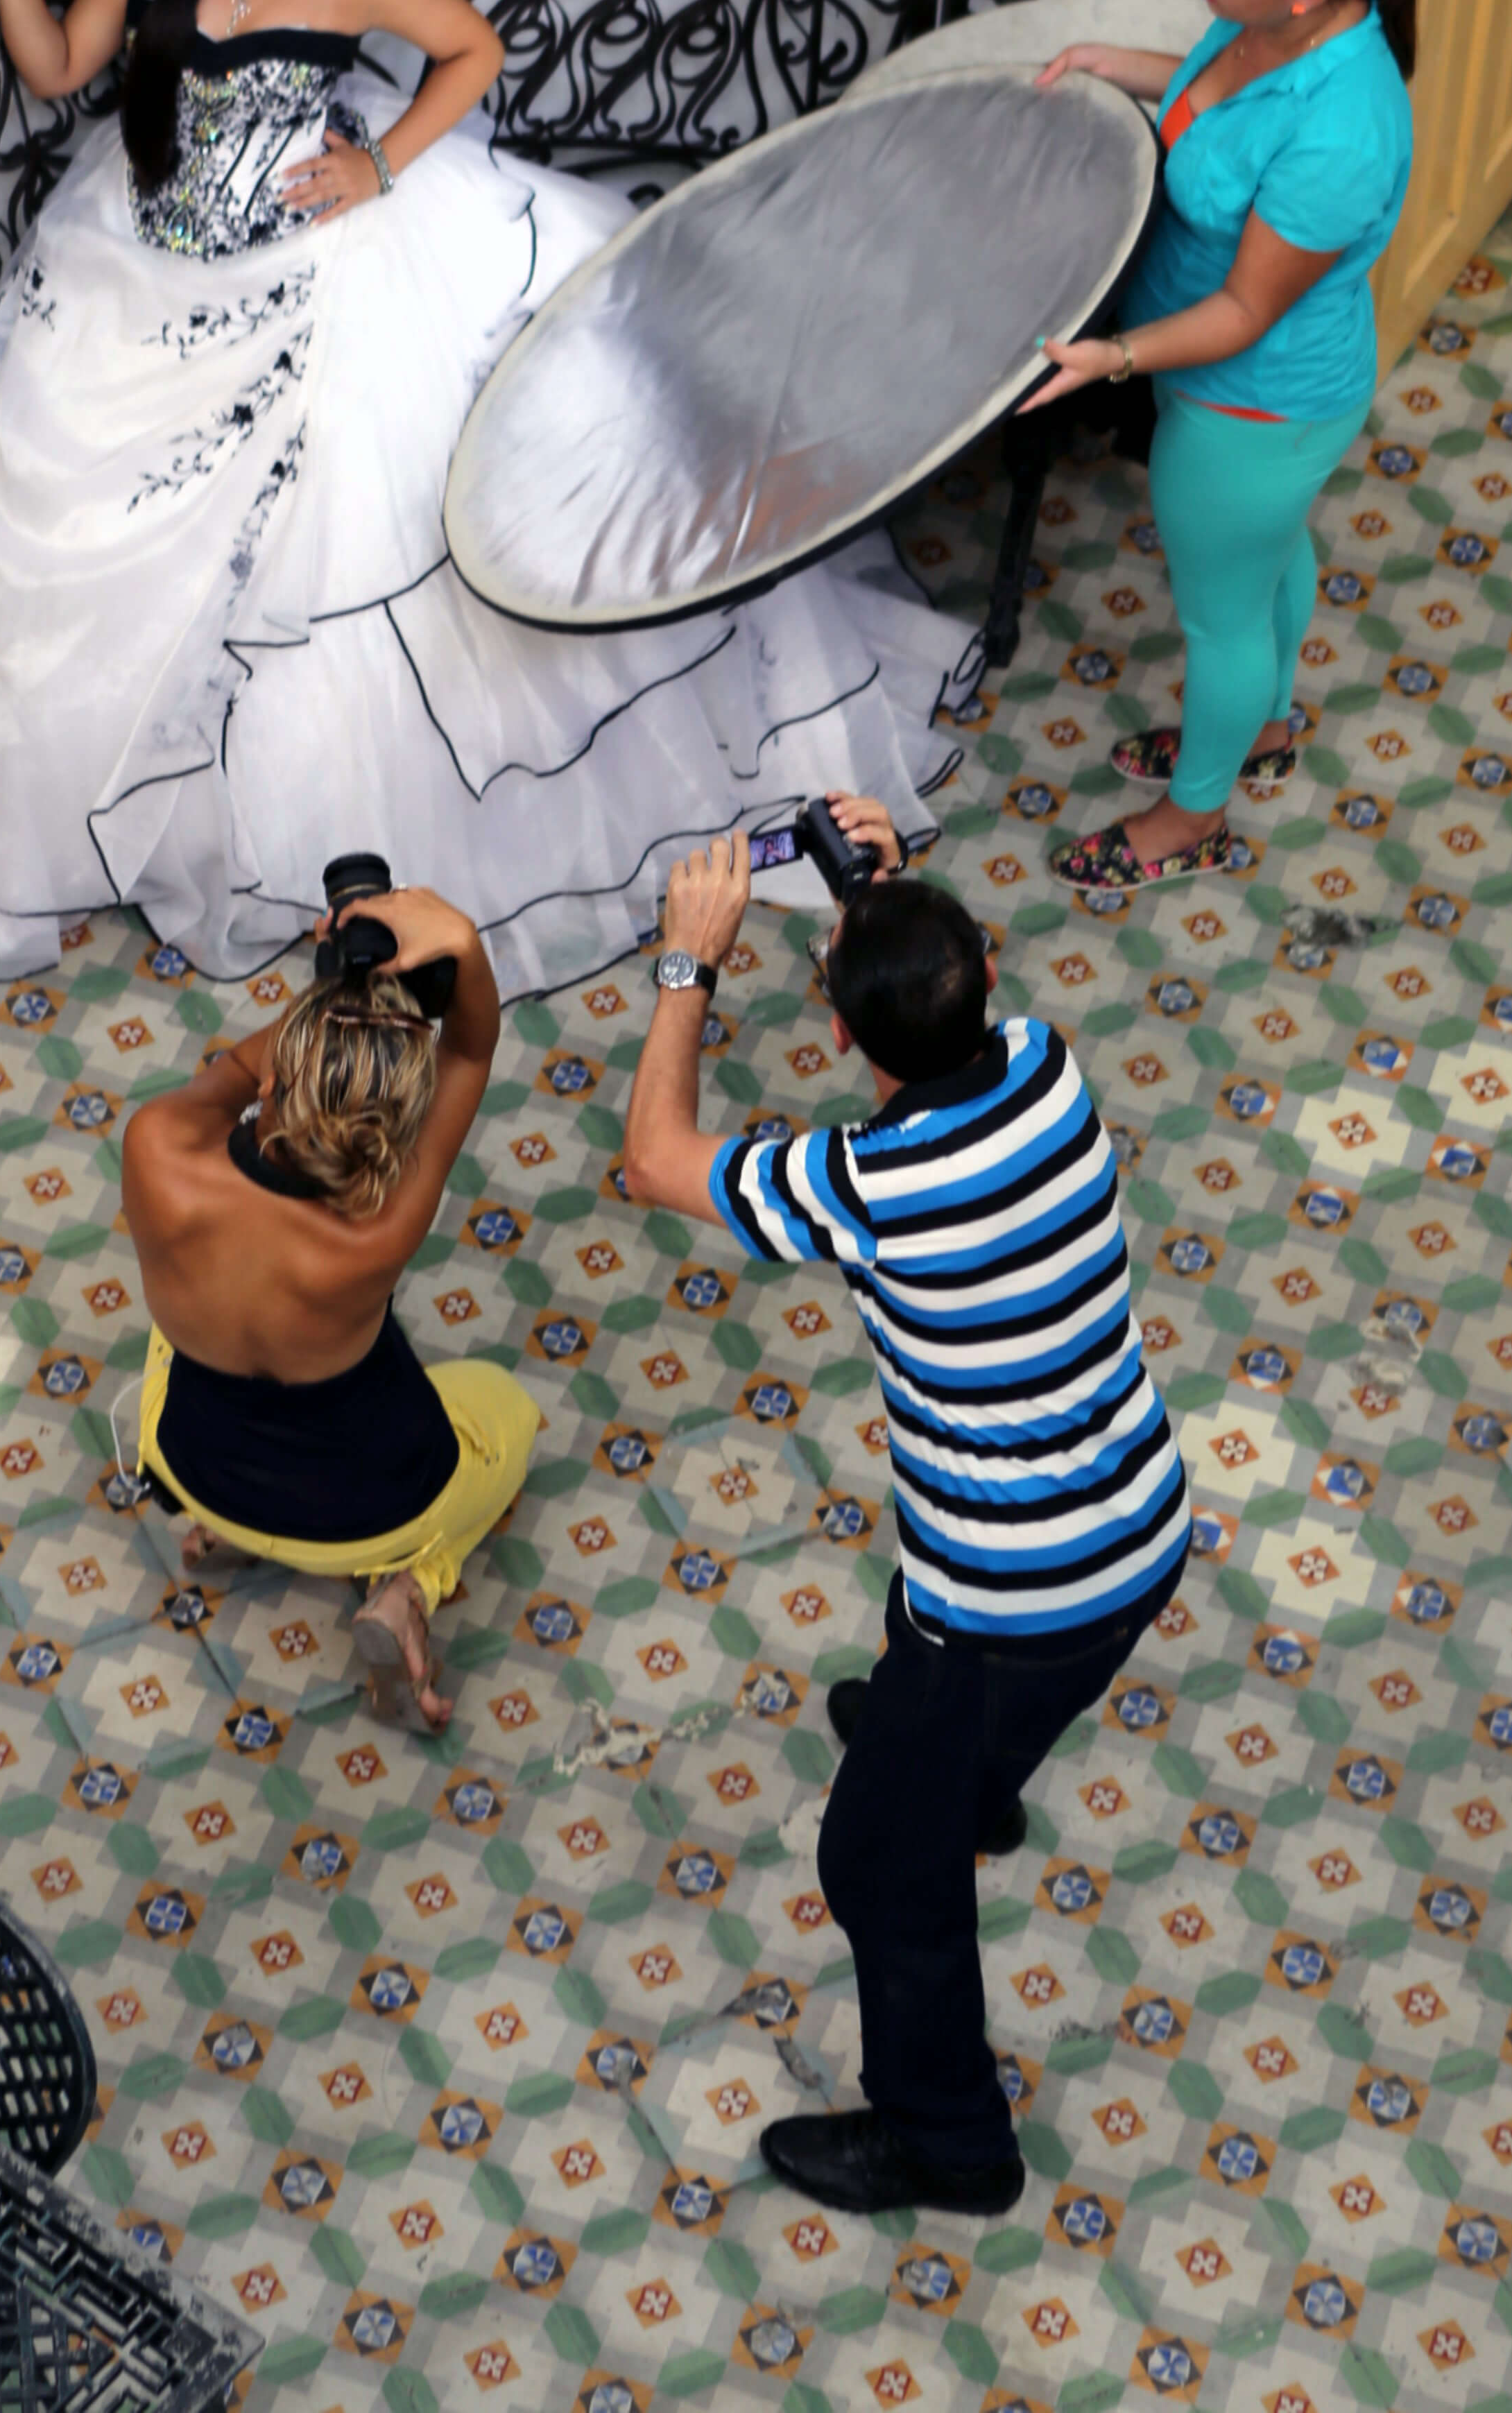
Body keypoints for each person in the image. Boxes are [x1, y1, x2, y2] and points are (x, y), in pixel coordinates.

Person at [0, 0, 961, 988]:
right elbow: (55, 70)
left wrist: (380, 164)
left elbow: (473, 49)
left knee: (350, 533)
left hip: (319, 267)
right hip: (140, 272)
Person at [621, 802, 1189, 2215]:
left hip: (1003, 1600)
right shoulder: (1049, 1072)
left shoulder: (871, 1186)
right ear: (985, 974)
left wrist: (688, 969)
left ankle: (949, 2142)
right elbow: (923, 1007)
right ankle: (970, 1781)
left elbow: (655, 1158)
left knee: (875, 1869)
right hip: (1140, 1526)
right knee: (933, 1682)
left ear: (845, 1045)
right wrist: (872, 889)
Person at [1024, 0, 1420, 890]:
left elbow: (1246, 310)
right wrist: (1121, 63)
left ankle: (1191, 818)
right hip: (1240, 388)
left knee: (1222, 616)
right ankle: (1267, 726)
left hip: (1253, 404)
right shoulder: (1274, 27)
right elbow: (1215, 98)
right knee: (1269, 557)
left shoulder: (1343, 133)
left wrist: (1113, 357)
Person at [120, 880, 531, 1727]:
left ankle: (221, 1532)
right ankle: (403, 1592)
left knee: (179, 1324)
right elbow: (469, 1053)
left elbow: (233, 1070)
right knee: (505, 1410)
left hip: (192, 1461)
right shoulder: (379, 1232)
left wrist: (331, 1004)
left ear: (279, 1081)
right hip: (364, 1514)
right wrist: (462, 940)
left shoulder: (156, 1151)